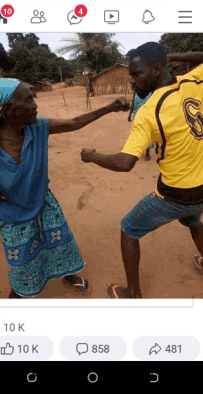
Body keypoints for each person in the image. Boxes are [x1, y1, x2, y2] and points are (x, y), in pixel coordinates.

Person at [0, 79, 129, 298]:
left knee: (60, 242)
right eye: (28, 100)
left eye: (34, 98)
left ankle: (67, 274)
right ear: (5, 109)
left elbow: (74, 123)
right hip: (10, 212)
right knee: (22, 260)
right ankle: (19, 292)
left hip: (42, 201)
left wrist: (109, 108)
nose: (35, 105)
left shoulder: (38, 127)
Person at [81, 42, 203, 298]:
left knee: (128, 228)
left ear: (158, 70)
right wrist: (172, 55)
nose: (132, 82)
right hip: (201, 188)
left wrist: (92, 157)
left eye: (137, 74)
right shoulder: (193, 81)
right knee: (193, 219)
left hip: (175, 195)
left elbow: (126, 162)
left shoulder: (148, 111)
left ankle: (132, 292)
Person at [128, 91, 154, 161]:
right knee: (137, 133)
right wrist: (130, 114)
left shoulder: (151, 92)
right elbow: (133, 102)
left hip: (148, 116)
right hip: (136, 115)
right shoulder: (136, 91)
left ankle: (147, 152)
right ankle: (137, 151)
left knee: (148, 133)